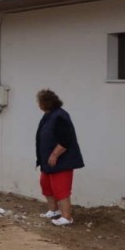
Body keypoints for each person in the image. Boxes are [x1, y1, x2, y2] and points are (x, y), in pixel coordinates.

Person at [35, 89, 84, 226]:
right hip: (48, 161)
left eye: (39, 102)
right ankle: (54, 211)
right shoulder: (48, 116)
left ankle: (66, 217)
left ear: (45, 103)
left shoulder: (60, 116)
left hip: (62, 161)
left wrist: (54, 155)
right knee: (46, 185)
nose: (38, 104)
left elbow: (66, 140)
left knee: (61, 189)